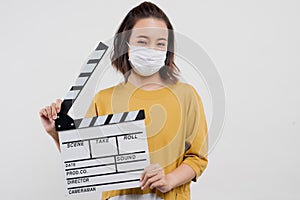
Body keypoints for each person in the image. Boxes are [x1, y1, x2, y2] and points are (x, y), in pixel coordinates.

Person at [39, 1, 208, 200]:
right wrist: (55, 132)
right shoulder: (103, 99)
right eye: (142, 41)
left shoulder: (186, 96)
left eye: (160, 43)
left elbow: (197, 158)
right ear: (125, 45)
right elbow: (84, 160)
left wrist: (168, 180)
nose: (152, 49)